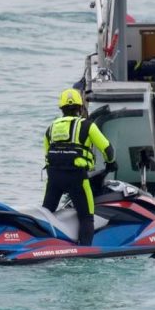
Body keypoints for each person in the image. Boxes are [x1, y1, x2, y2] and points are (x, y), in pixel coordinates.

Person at [43, 88, 117, 246]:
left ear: (61, 108)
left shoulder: (51, 128)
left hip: (54, 178)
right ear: (80, 107)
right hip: (76, 178)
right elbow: (107, 148)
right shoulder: (87, 125)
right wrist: (111, 162)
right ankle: (84, 250)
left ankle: (41, 246)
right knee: (86, 216)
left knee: (46, 214)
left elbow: (47, 153)